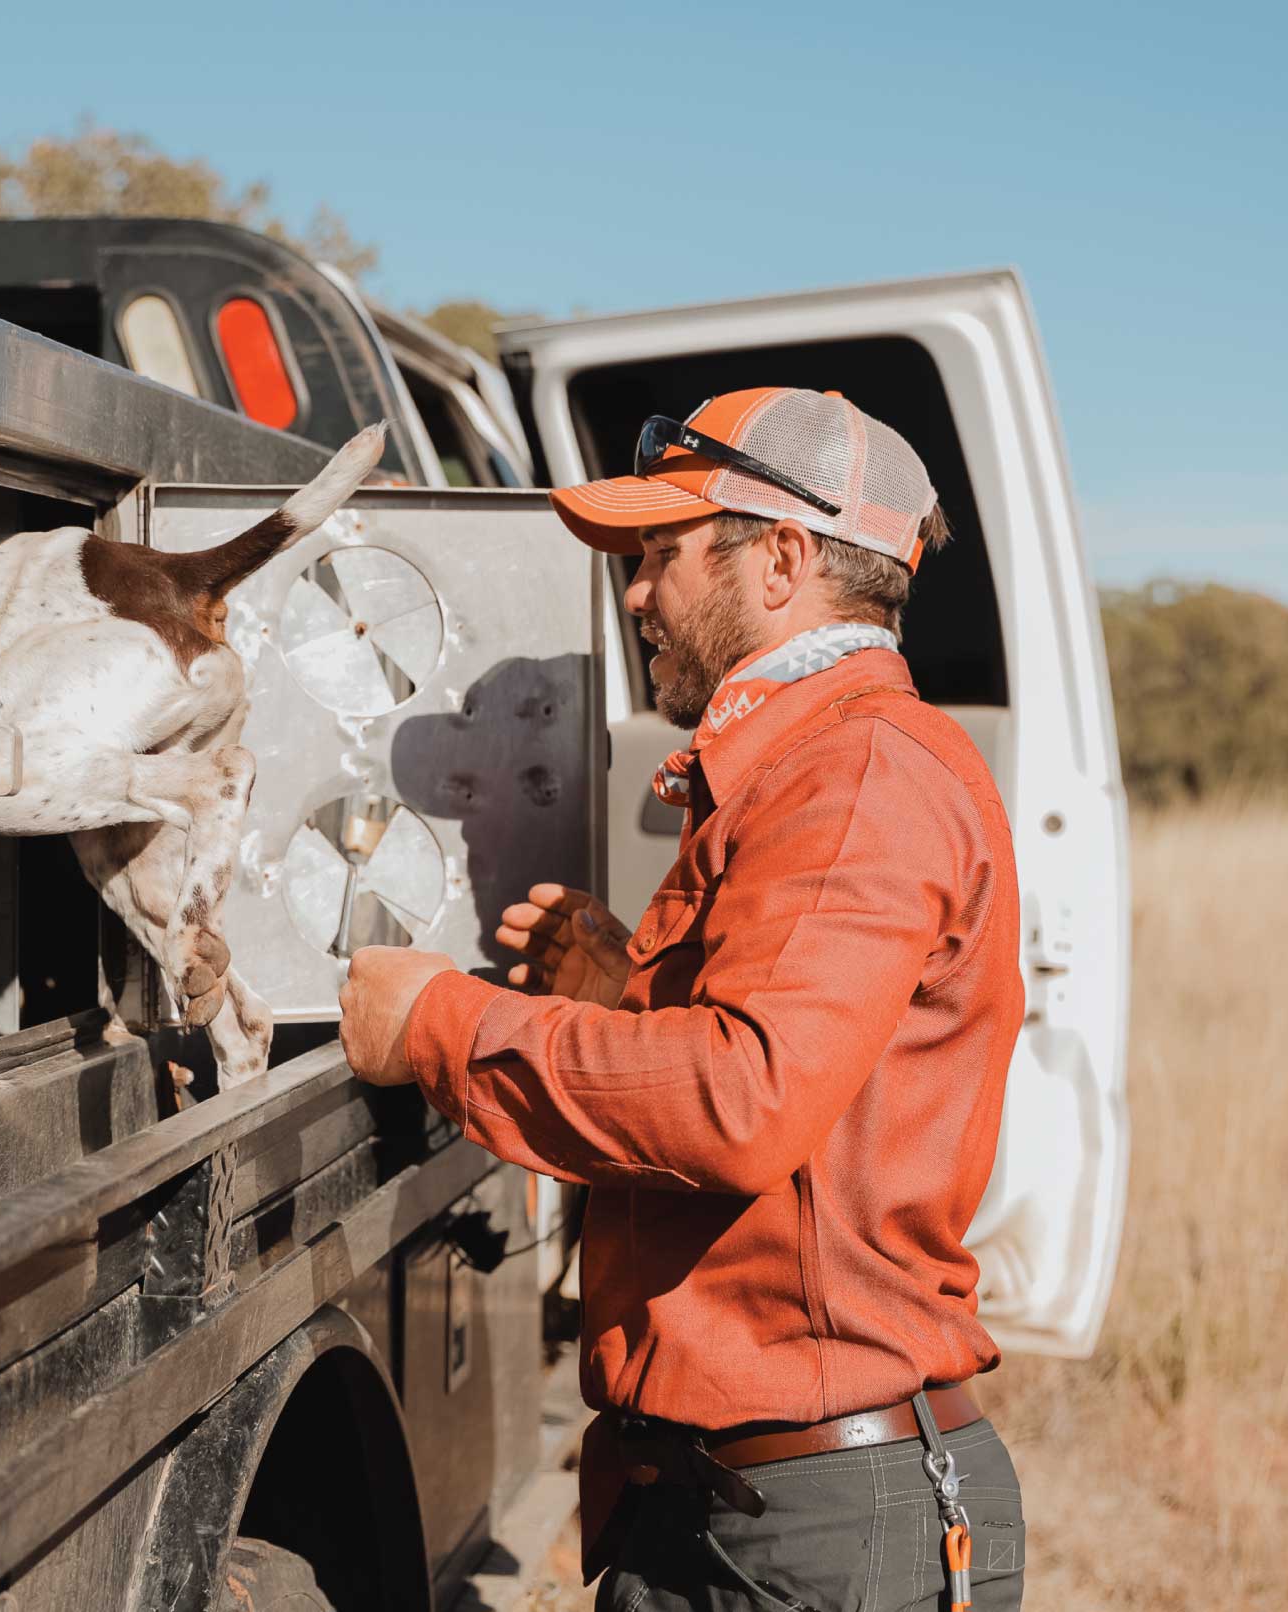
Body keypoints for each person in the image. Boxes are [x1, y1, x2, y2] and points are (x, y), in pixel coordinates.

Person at [339, 388, 1028, 1611]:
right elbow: (809, 1093)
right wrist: (626, 999)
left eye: (661, 551)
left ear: (783, 559)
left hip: (812, 1532)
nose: (637, 593)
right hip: (754, 1507)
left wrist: (436, 1023)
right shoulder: (816, 762)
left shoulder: (856, 770)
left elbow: (742, 1102)